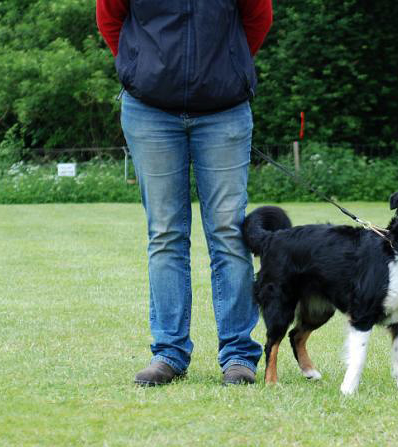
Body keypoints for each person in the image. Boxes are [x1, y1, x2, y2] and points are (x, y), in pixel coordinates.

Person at [96, 0, 273, 386]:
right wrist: (140, 68)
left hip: (224, 110)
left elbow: (258, 19)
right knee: (165, 233)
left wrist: (225, 68)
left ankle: (239, 355)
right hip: (149, 110)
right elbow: (110, 19)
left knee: (229, 232)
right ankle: (169, 353)